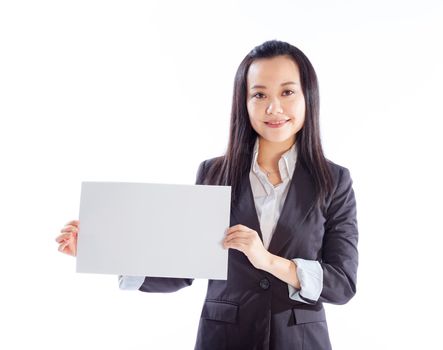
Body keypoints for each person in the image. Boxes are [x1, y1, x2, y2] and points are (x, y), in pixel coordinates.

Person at [55, 39, 358, 350]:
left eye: (287, 92)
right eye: (259, 94)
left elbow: (342, 284)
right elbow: (184, 269)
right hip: (225, 338)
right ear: (244, 101)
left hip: (300, 341)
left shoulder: (333, 180)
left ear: (308, 95)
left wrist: (267, 260)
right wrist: (99, 250)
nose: (274, 108)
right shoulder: (214, 174)